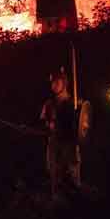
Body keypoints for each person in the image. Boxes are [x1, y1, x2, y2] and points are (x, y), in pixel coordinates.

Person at [40, 69, 83, 202]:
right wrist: (48, 125)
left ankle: (76, 202)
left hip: (69, 143)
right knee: (55, 173)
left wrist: (78, 115)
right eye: (52, 83)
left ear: (64, 83)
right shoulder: (49, 104)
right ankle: (57, 201)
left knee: (72, 173)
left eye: (57, 82)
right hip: (54, 142)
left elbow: (83, 124)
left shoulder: (75, 102)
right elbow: (43, 123)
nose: (54, 85)